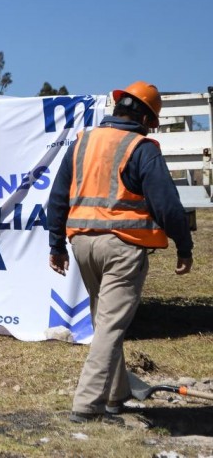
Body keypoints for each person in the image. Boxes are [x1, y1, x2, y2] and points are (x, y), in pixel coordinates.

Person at [47, 81, 194, 424]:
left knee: (105, 321)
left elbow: (57, 198)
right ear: (146, 117)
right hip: (122, 248)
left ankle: (115, 396)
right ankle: (87, 406)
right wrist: (184, 246)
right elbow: (168, 205)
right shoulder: (141, 148)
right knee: (111, 327)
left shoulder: (82, 142)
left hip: (82, 245)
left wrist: (56, 245)